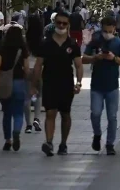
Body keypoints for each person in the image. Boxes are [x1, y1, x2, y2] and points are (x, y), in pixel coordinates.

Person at [31, 11, 83, 156]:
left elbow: (78, 65)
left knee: (65, 114)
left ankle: (63, 143)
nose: (61, 25)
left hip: (66, 83)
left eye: (64, 23)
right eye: (58, 22)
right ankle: (49, 142)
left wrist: (78, 82)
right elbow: (38, 65)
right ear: (54, 23)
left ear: (68, 25)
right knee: (50, 112)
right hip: (49, 82)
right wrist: (34, 85)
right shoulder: (46, 43)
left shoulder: (72, 44)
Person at [82, 17, 120, 155]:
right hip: (97, 85)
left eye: (110, 31)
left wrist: (114, 58)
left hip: (112, 86)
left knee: (112, 117)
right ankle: (97, 134)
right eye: (105, 31)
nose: (107, 33)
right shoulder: (96, 41)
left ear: (114, 29)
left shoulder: (119, 43)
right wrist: (95, 58)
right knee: (95, 113)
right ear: (101, 29)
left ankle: (110, 144)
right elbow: (83, 58)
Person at [0, 22, 30, 151]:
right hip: (19, 82)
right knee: (18, 111)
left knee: (7, 113)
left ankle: (8, 140)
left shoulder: (1, 49)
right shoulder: (23, 50)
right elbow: (26, 68)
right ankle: (17, 132)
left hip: (4, 83)